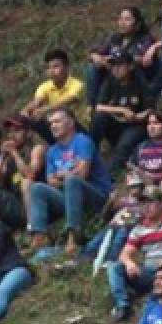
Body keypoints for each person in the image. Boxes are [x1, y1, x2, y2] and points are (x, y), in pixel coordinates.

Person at [27, 108, 111, 254]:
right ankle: (39, 236)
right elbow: (50, 181)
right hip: (69, 198)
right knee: (37, 187)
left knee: (72, 180)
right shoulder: (52, 151)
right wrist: (69, 173)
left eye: (57, 121)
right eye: (51, 123)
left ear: (71, 123)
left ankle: (74, 235)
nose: (53, 126)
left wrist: (63, 175)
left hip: (96, 197)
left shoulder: (82, 141)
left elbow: (82, 174)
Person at [107, 187, 162, 321]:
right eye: (143, 203)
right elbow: (124, 253)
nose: (146, 206)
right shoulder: (139, 229)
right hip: (149, 273)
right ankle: (122, 305)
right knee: (114, 267)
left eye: (151, 202)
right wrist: (129, 263)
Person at [88, 49, 151, 173]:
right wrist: (122, 110)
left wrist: (137, 116)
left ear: (131, 66)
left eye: (120, 65)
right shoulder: (111, 80)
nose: (116, 69)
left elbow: (151, 109)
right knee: (99, 118)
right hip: (117, 123)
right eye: (113, 65)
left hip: (136, 125)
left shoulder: (140, 82)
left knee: (123, 148)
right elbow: (99, 106)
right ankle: (89, 152)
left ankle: (108, 177)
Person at [84, 6, 155, 103]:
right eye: (121, 19)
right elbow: (98, 52)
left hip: (134, 75)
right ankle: (91, 104)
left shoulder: (145, 39)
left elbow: (140, 59)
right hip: (114, 71)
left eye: (127, 19)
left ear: (138, 23)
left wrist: (113, 60)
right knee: (92, 67)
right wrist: (95, 56)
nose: (122, 23)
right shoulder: (115, 38)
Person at [20, 49, 88, 142]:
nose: (51, 71)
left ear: (66, 67)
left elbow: (68, 102)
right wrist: (27, 110)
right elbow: (36, 102)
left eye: (56, 66)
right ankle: (56, 146)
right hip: (58, 129)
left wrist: (45, 110)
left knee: (65, 113)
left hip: (78, 128)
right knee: (34, 119)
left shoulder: (77, 85)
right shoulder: (45, 86)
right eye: (49, 68)